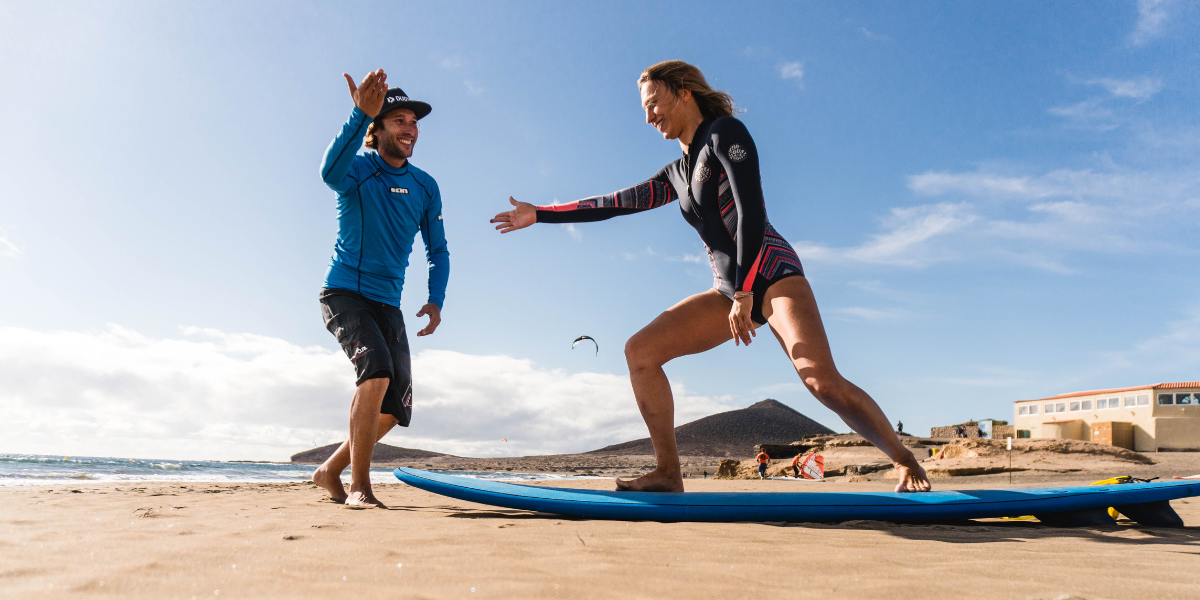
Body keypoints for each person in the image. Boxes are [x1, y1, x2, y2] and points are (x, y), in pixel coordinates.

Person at [491, 60, 930, 494]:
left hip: (772, 275)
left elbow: (752, 210)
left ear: (684, 93)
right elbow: (615, 203)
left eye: (655, 103)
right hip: (728, 290)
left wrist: (745, 292)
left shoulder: (724, 134)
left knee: (821, 381)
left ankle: (904, 459)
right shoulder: (676, 173)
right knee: (640, 352)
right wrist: (540, 214)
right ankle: (668, 472)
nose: (648, 116)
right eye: (644, 109)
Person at [310, 69, 450, 508]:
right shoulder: (357, 172)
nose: (410, 129)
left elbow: (438, 250)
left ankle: (329, 470)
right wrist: (357, 115)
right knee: (375, 373)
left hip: (388, 303)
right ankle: (360, 488)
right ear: (378, 128)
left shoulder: (426, 186)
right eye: (399, 121)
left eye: (413, 122)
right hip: (345, 294)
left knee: (397, 406)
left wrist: (435, 298)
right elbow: (327, 172)